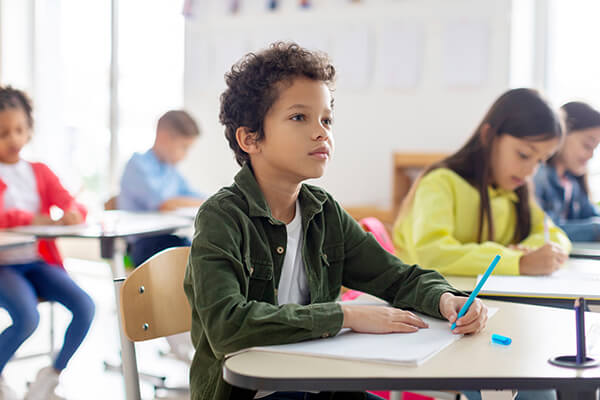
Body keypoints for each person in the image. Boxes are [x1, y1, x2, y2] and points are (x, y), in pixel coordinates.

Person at [183, 42, 487, 400]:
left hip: (319, 386)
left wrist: (446, 298)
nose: (321, 132)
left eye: (326, 119)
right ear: (251, 138)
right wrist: (345, 316)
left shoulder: (323, 211)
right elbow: (227, 327)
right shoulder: (223, 217)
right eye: (300, 118)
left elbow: (396, 277)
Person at [393, 88, 571, 278]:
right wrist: (518, 261)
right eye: (524, 155)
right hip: (423, 301)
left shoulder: (515, 192)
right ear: (488, 136)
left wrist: (530, 252)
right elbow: (432, 253)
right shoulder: (440, 183)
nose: (530, 171)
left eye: (540, 161)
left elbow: (556, 236)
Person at [0, 86, 95, 400]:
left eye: (19, 130)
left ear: (29, 131)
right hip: (4, 267)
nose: (13, 139)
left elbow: (74, 205)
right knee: (28, 318)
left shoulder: (38, 171)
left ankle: (50, 377)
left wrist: (71, 212)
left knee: (85, 306)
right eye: (3, 133)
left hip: (36, 262)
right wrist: (33, 218)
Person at [118, 109, 205, 267]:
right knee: (197, 261)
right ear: (163, 138)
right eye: (184, 147)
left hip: (168, 238)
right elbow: (165, 204)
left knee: (207, 252)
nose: (185, 155)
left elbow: (197, 197)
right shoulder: (137, 165)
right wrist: (189, 202)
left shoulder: (170, 170)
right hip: (143, 245)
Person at [534, 101, 600, 241]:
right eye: (587, 145)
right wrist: (595, 229)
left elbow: (591, 214)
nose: (591, 155)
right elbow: (545, 231)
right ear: (562, 132)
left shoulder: (572, 183)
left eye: (595, 148)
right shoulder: (539, 176)